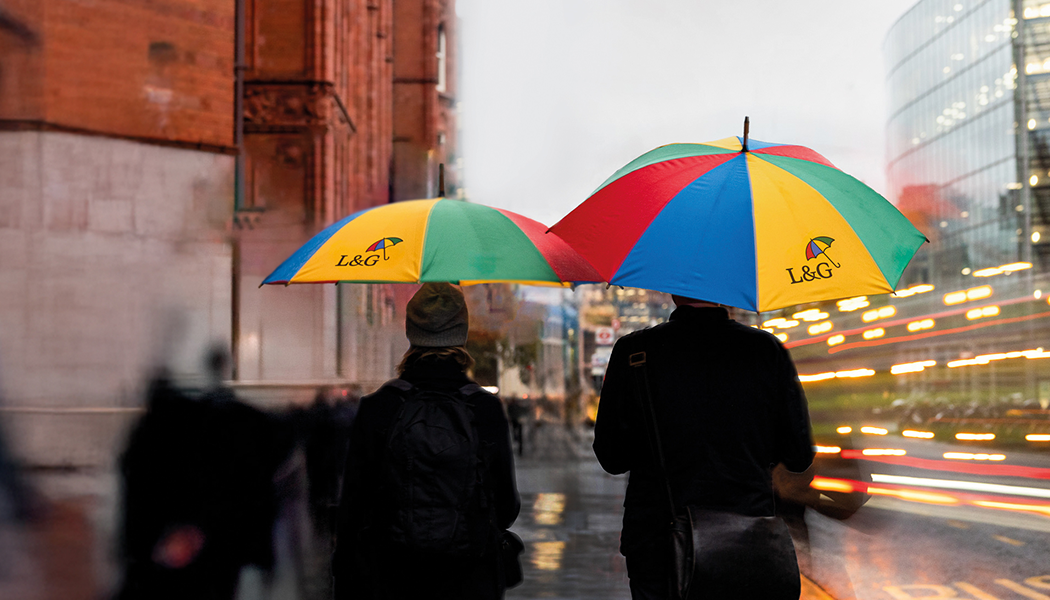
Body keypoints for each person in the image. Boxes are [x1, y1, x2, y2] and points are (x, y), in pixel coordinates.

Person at [592, 294, 814, 600]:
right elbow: (799, 456)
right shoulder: (766, 350)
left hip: (659, 544)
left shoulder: (635, 352)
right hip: (744, 540)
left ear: (672, 289)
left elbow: (612, 457)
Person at [333, 282, 520, 600]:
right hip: (469, 576)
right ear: (461, 332)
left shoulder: (379, 406)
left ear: (411, 331)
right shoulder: (484, 409)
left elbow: (353, 505)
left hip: (392, 575)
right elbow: (506, 507)